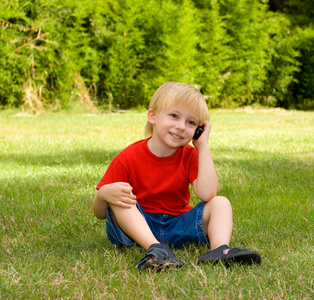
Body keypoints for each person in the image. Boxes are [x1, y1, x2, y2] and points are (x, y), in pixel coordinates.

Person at [92, 82, 261, 271]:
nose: (181, 126)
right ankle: (155, 249)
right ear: (153, 116)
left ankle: (219, 250)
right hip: (137, 228)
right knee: (120, 200)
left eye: (191, 122)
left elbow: (207, 194)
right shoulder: (128, 157)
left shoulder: (190, 156)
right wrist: (103, 195)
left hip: (177, 225)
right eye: (174, 116)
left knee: (220, 202)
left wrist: (202, 146)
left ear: (199, 129)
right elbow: (99, 213)